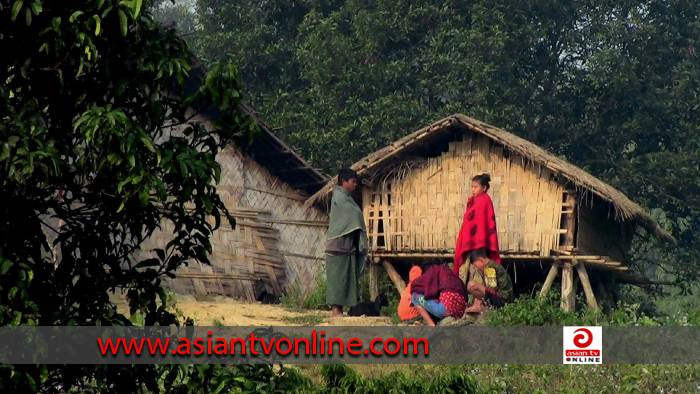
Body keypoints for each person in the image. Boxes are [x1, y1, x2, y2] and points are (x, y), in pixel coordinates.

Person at [453, 173, 501, 311]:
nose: (473, 189)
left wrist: (474, 240)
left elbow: (481, 224)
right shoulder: (476, 201)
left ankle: (479, 303)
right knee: (473, 270)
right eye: (472, 187)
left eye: (475, 187)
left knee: (479, 269)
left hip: (479, 243)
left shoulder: (483, 201)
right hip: (474, 242)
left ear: (484, 187)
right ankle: (474, 302)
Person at [325, 168, 368, 317]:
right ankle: (336, 310)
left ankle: (347, 307)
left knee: (348, 277)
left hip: (346, 246)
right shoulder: (339, 197)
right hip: (337, 245)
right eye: (353, 181)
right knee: (337, 278)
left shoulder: (348, 198)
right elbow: (354, 214)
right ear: (344, 181)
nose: (355, 184)